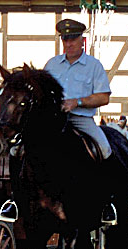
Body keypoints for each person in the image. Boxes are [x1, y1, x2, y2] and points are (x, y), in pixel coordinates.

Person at [44, 17, 118, 223]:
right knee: (20, 148)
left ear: (81, 40)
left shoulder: (93, 66)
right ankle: (17, 199)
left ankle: (107, 202)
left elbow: (103, 97)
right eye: (65, 40)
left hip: (80, 119)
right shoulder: (51, 65)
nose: (68, 44)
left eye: (73, 40)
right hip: (53, 120)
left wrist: (77, 102)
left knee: (105, 149)